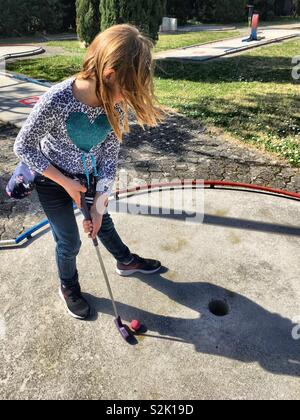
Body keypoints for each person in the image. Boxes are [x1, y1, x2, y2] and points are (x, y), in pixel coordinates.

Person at [14, 24, 165, 320]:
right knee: (69, 240)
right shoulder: (58, 100)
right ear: (109, 76)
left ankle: (124, 261)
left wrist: (98, 205)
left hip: (89, 178)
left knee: (102, 223)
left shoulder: (115, 108)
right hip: (51, 179)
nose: (127, 101)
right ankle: (68, 285)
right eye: (128, 91)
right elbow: (24, 147)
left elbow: (109, 159)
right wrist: (67, 183)